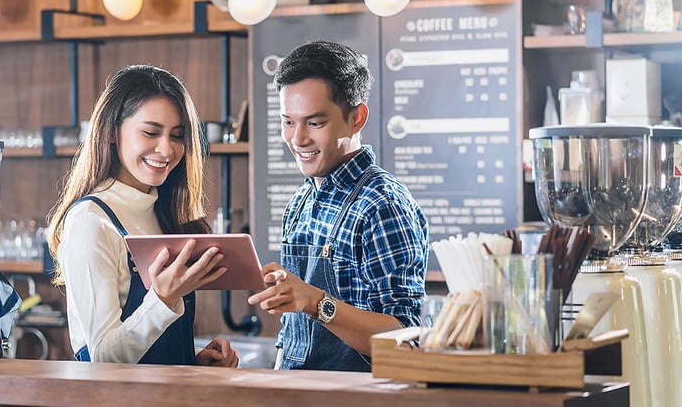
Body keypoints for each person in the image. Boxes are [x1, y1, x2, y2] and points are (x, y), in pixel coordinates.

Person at [247, 41, 428, 372]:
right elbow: (292, 333)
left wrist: (315, 302)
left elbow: (407, 338)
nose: (297, 139)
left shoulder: (381, 203)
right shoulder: (300, 201)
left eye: (314, 123)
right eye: (288, 122)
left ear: (356, 118)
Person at [46, 65, 238, 367]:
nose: (166, 149)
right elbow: (105, 358)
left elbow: (150, 348)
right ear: (111, 132)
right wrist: (161, 299)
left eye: (177, 135)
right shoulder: (90, 221)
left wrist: (193, 360)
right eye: (151, 132)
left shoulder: (163, 213)